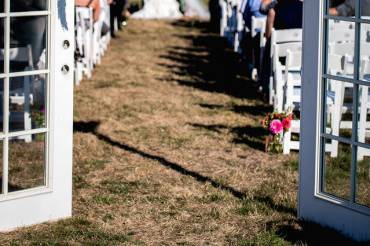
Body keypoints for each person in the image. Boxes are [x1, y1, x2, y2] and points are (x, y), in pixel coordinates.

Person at [259, 0, 303, 98]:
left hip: (280, 57)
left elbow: (268, 35)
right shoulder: (305, 9)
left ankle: (266, 86)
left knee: (269, 45)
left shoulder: (273, 10)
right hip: (299, 55)